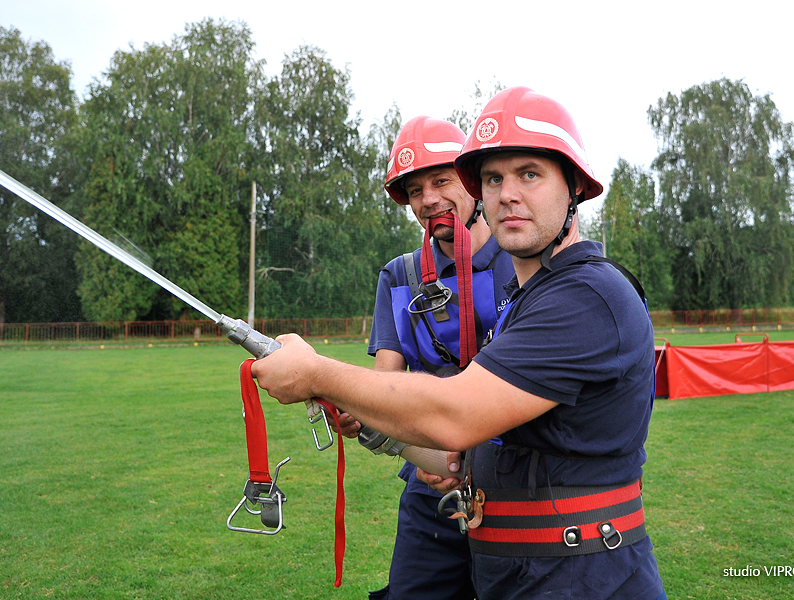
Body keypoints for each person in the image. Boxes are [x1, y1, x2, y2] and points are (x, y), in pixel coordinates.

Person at [252, 86, 665, 600]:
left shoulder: (586, 295)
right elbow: (483, 446)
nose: (507, 193)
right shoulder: (525, 296)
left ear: (574, 187)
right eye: (493, 178)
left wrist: (317, 373)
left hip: (580, 578)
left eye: (529, 174)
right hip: (521, 569)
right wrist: (369, 415)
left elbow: (457, 414)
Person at [345, 115, 515, 600]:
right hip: (431, 489)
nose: (429, 200)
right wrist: (361, 409)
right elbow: (386, 387)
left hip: (515, 485)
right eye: (416, 190)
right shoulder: (400, 276)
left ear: (471, 182)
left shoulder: (523, 259)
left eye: (442, 181)